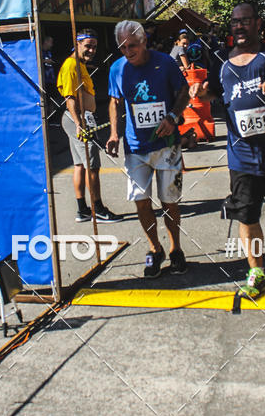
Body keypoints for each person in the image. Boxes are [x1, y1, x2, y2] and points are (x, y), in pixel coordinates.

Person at [191, 3, 265, 297]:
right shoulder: (221, 60)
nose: (239, 26)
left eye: (245, 21)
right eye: (235, 22)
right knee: (246, 215)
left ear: (258, 24)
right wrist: (201, 93)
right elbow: (214, 91)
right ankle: (257, 272)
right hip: (241, 156)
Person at [106, 20, 190, 278]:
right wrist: (113, 133)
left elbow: (184, 92)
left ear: (144, 42)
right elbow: (114, 101)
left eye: (132, 45)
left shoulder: (164, 62)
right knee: (141, 202)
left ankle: (176, 249)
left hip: (168, 146)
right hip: (135, 147)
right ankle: (155, 249)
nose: (127, 51)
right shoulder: (117, 69)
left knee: (170, 202)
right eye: (122, 47)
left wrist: (173, 117)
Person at [57, 29, 121, 223]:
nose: (91, 50)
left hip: (82, 118)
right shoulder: (70, 65)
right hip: (78, 119)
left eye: (94, 46)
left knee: (80, 165)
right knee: (92, 165)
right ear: (77, 44)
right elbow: (70, 98)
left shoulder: (80, 65)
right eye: (87, 46)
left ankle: (83, 209)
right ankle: (98, 208)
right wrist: (79, 124)